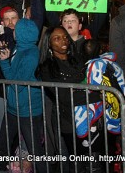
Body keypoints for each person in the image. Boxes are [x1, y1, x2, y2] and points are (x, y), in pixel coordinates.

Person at [38, 26, 104, 172]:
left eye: (65, 37)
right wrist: (93, 93)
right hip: (69, 121)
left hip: (92, 119)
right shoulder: (47, 67)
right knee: (77, 164)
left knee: (94, 164)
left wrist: (87, 91)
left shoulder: (78, 60)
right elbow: (64, 96)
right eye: (57, 38)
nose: (64, 41)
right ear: (48, 43)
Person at [0, 18, 46, 172]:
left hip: (28, 110)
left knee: (35, 151)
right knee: (3, 144)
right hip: (13, 107)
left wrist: (4, 62)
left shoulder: (31, 54)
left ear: (23, 33)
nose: (13, 31)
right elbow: (14, 77)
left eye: (16, 29)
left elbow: (16, 84)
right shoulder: (20, 49)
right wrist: (6, 59)